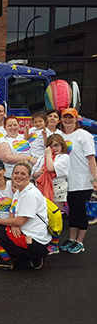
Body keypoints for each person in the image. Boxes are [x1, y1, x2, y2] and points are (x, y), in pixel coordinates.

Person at [0, 162, 51, 270]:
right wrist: (13, 225)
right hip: (22, 231)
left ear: (29, 176)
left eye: (23, 174)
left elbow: (21, 221)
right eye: (16, 173)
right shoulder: (19, 191)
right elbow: (12, 211)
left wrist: (0, 221)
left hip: (34, 239)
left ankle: (19, 259)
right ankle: (20, 257)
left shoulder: (31, 194)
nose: (19, 176)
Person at [57, 108, 97, 254]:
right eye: (65, 117)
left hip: (82, 181)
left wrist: (95, 179)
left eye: (71, 117)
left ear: (76, 119)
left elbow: (91, 159)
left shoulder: (83, 135)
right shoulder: (59, 135)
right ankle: (72, 239)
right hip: (66, 181)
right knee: (72, 211)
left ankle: (80, 242)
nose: (68, 120)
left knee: (81, 212)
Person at [32, 134, 69, 255]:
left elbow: (51, 168)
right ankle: (46, 241)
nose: (54, 148)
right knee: (45, 216)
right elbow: (33, 172)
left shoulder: (63, 157)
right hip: (42, 188)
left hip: (57, 188)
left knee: (55, 216)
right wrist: (36, 174)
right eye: (51, 145)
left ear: (62, 145)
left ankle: (54, 244)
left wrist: (48, 154)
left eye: (56, 145)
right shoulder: (43, 156)